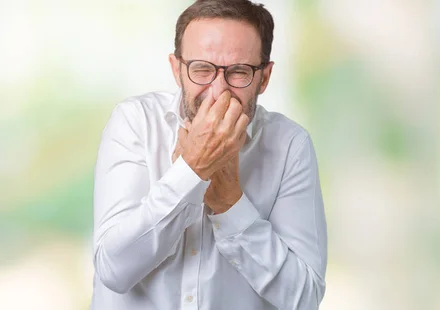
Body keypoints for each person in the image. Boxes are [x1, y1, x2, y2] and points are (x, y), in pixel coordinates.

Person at [90, 1, 327, 309]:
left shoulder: (290, 146)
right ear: (177, 69)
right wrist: (191, 171)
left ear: (264, 78)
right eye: (202, 69)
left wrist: (231, 204)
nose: (217, 91)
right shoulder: (134, 123)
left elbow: (304, 298)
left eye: (239, 72)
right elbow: (113, 269)